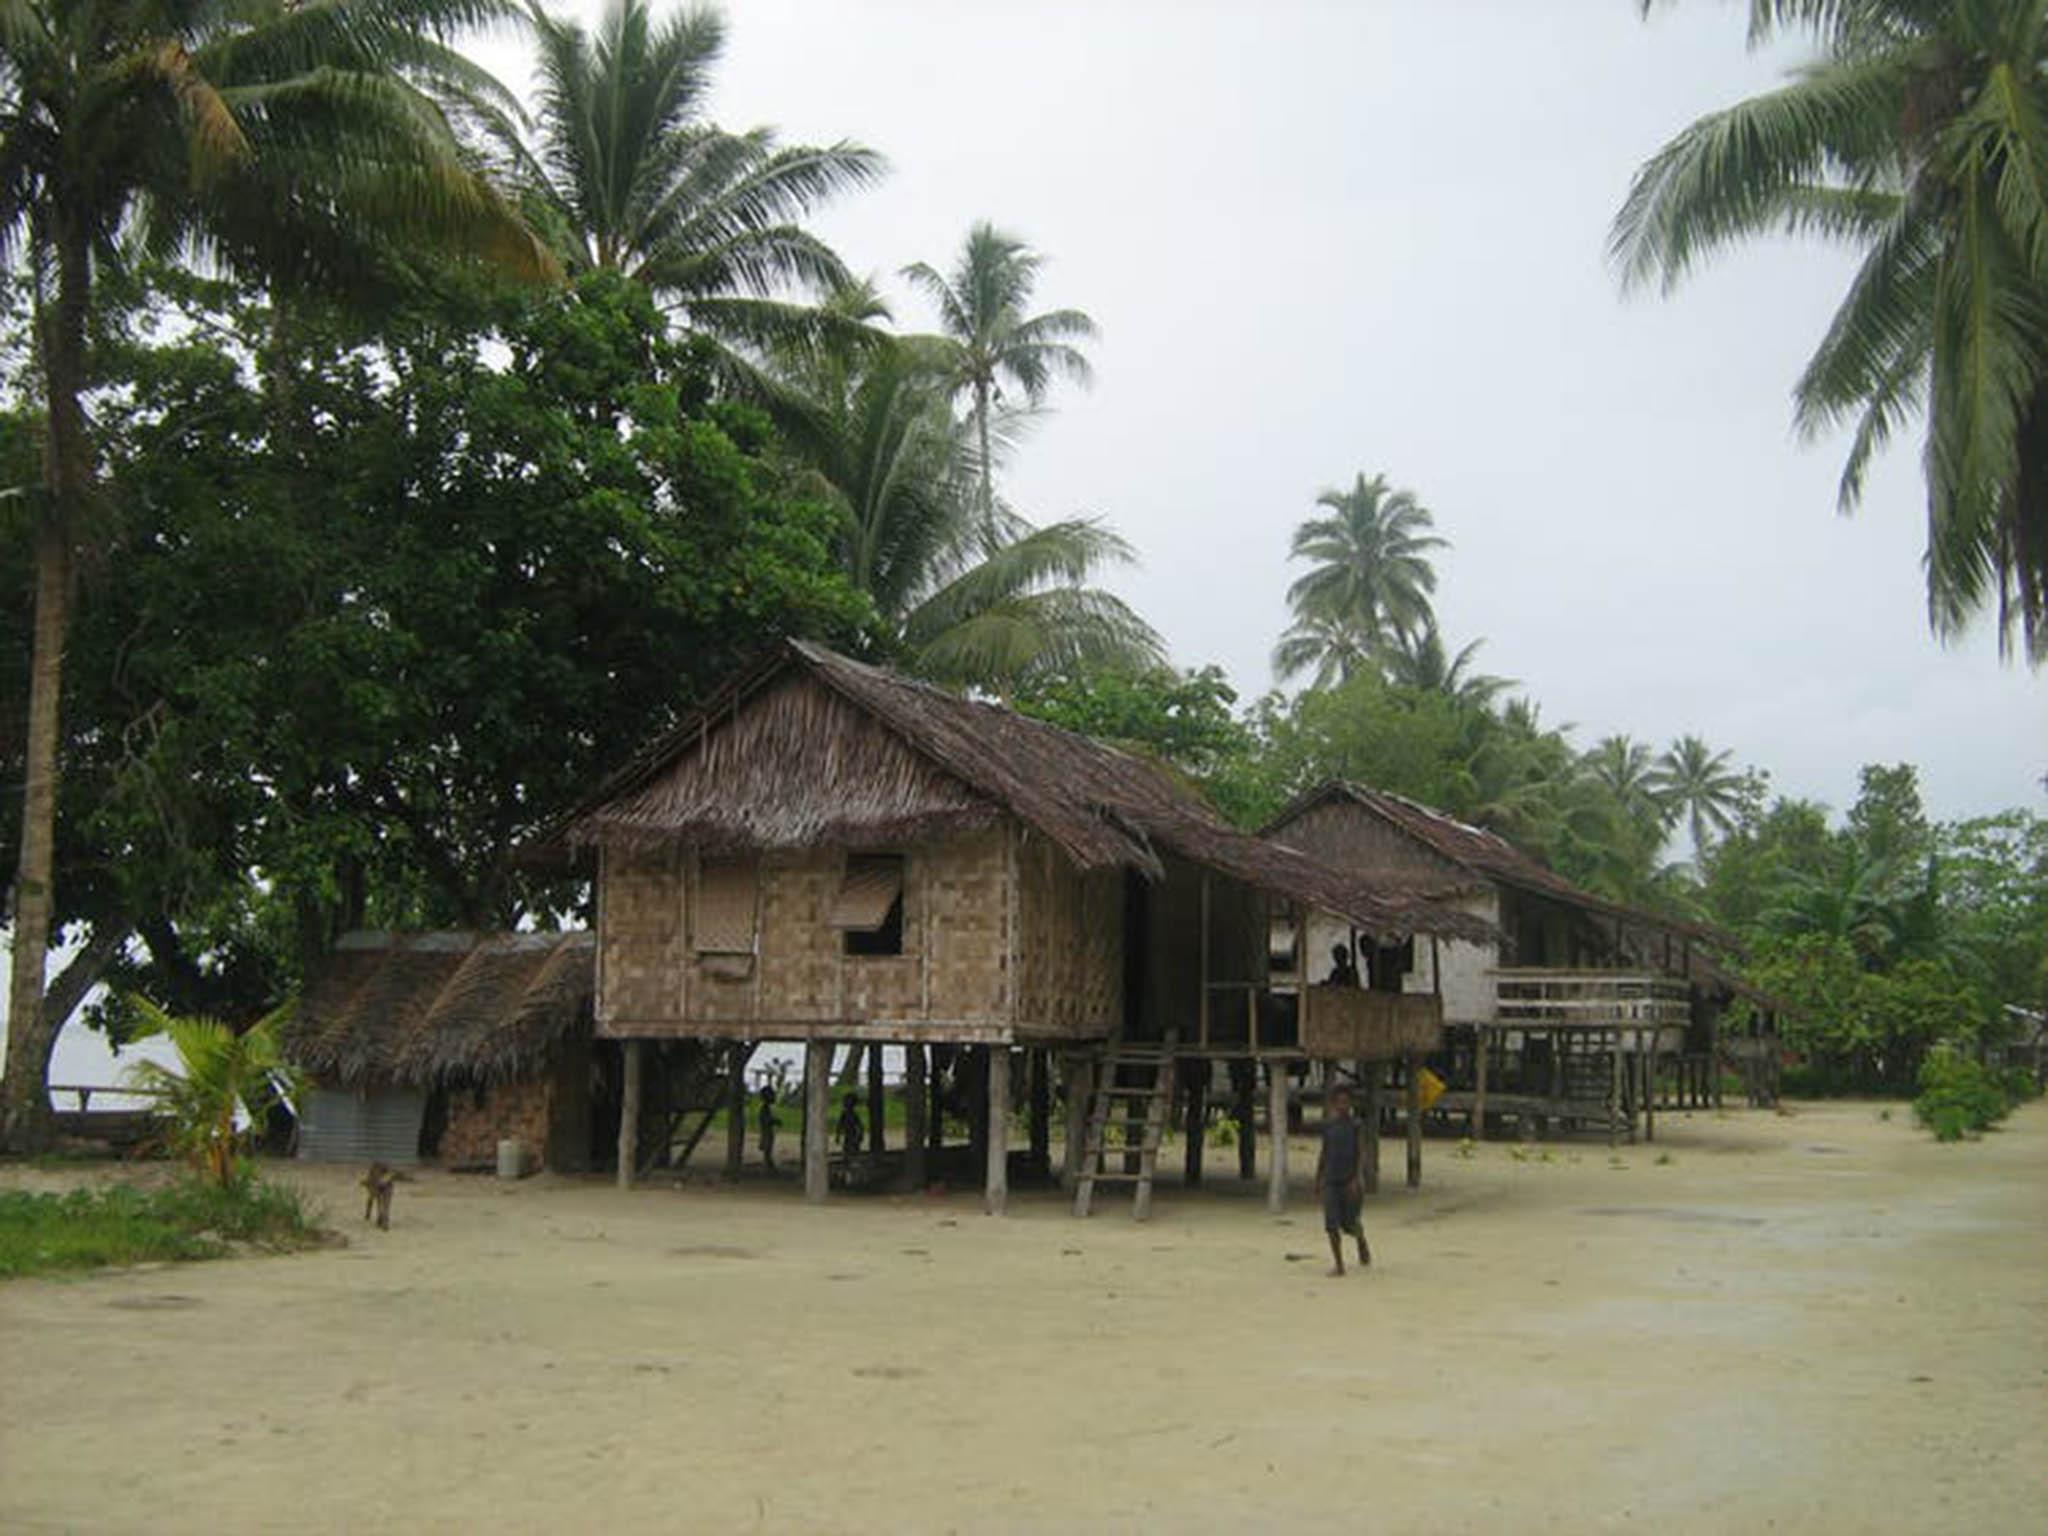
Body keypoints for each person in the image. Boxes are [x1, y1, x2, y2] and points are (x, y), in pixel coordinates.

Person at [1314, 1083, 1371, 1277]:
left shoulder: (1356, 1126)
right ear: (1333, 1104)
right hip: (1331, 1179)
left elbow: (1361, 1152)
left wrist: (1357, 1177)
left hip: (1349, 1179)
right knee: (1331, 1225)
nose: (1342, 1106)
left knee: (1349, 1223)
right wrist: (1318, 1178)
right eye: (1339, 1102)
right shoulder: (1329, 1126)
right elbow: (1324, 1152)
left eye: (1346, 1102)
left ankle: (1360, 1239)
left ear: (1351, 1104)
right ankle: (1339, 1265)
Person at [837, 1089, 864, 1163]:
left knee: (853, 1148)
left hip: (853, 1134)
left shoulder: (853, 1115)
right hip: (849, 1134)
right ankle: (849, 1160)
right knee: (848, 1148)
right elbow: (840, 1125)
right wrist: (838, 1135)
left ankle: (853, 1160)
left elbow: (859, 1126)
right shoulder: (845, 1114)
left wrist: (860, 1134)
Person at [757, 1084, 779, 1173]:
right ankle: (768, 1166)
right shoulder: (764, 1108)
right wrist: (774, 1121)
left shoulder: (765, 1108)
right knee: (767, 1148)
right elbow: (766, 1120)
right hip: (766, 1131)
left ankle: (768, 1164)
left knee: (768, 1148)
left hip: (767, 1131)